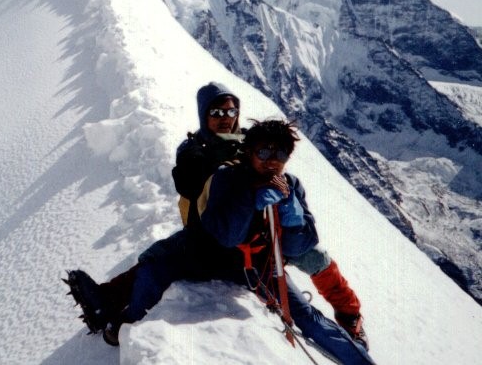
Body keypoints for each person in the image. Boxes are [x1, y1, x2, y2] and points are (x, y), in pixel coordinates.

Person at [66, 118, 373, 364]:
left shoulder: (290, 186)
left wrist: (291, 214)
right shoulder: (227, 178)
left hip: (259, 266)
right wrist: (252, 199)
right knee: (151, 273)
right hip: (209, 257)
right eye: (264, 152)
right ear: (249, 152)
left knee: (308, 318)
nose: (271, 162)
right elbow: (225, 235)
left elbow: (300, 246)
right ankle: (124, 325)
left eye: (280, 154)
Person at [174, 83, 366, 345]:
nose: (225, 119)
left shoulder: (247, 142)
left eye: (230, 113)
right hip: (219, 233)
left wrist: (287, 207)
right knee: (162, 259)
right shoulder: (194, 150)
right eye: (217, 113)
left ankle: (349, 313)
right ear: (203, 114)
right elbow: (191, 183)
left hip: (265, 232)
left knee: (316, 257)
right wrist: (244, 183)